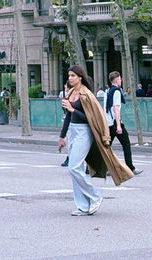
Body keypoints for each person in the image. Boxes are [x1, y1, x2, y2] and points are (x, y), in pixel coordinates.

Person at [58, 65, 133, 217]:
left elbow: (91, 118)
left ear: (80, 77)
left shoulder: (87, 95)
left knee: (74, 167)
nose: (70, 78)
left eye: (73, 75)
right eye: (69, 75)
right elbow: (68, 116)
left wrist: (73, 110)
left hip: (84, 132)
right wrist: (62, 136)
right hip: (73, 131)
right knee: (75, 170)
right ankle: (83, 206)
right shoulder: (71, 92)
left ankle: (95, 196)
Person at [105, 71, 142, 176]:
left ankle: (105, 168)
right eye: (120, 78)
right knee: (126, 144)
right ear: (116, 80)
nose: (121, 80)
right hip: (115, 123)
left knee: (107, 146)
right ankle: (130, 167)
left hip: (108, 123)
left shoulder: (108, 91)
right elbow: (116, 108)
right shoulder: (116, 92)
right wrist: (118, 125)